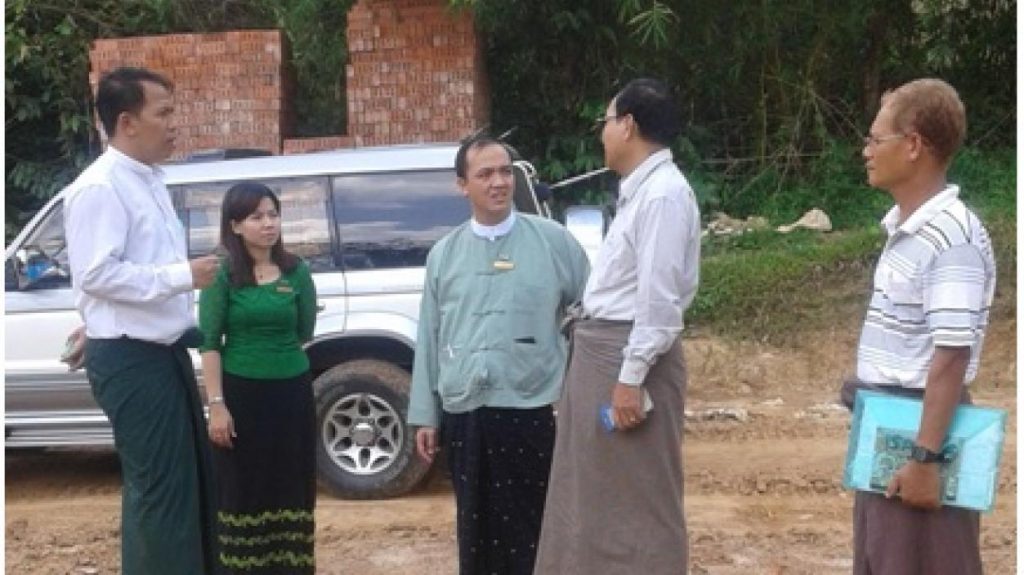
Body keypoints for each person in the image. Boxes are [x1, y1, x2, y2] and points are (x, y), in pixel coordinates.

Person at [535, 78, 700, 574]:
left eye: (605, 122)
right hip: (603, 352)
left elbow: (659, 300)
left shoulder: (664, 195)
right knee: (593, 494)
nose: (602, 133)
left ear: (627, 125)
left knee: (641, 496)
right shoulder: (642, 191)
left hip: (624, 358)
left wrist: (630, 378)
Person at [407, 134, 590, 575]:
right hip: (466, 411)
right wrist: (425, 415)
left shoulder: (553, 242)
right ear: (462, 185)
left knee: (534, 526)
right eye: (485, 174)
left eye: (506, 172)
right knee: (476, 527)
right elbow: (430, 334)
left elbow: (591, 316)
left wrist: (582, 392)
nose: (499, 182)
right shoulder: (444, 255)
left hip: (532, 407)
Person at [64, 66, 221, 574]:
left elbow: (119, 274)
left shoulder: (148, 180)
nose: (175, 124)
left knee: (184, 485)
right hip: (134, 360)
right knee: (161, 494)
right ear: (127, 122)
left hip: (160, 351)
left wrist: (97, 319)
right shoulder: (101, 187)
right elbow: (96, 273)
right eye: (164, 113)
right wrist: (182, 276)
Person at [842, 79, 995, 575]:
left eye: (875, 139)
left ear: (913, 145)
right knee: (881, 557)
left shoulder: (952, 238)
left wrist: (926, 460)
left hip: (920, 431)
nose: (866, 151)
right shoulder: (907, 229)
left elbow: (951, 355)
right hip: (889, 426)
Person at [199, 182, 318, 574]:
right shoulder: (222, 275)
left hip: (292, 396)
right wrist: (217, 405)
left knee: (291, 484)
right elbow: (209, 342)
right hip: (241, 397)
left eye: (273, 215)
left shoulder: (297, 272)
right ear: (235, 226)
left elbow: (304, 331)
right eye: (256, 217)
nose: (268, 224)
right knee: (244, 488)